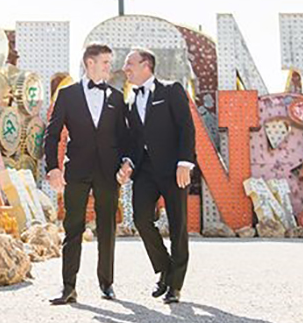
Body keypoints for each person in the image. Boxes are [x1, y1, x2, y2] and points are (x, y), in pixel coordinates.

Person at [44, 44, 132, 304]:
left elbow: (124, 136)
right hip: (77, 171)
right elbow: (52, 134)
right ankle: (68, 287)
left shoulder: (116, 97)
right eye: (105, 62)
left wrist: (126, 163)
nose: (109, 66)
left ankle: (107, 284)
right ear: (89, 63)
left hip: (108, 172)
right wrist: (53, 168)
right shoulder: (67, 95)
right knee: (73, 228)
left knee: (107, 229)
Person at [121, 48, 197, 304]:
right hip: (145, 171)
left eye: (129, 63)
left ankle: (175, 285)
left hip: (174, 169)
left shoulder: (171, 90)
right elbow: (134, 140)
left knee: (178, 224)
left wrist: (185, 162)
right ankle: (165, 267)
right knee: (141, 219)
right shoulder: (131, 100)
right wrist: (129, 162)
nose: (125, 68)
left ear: (146, 65)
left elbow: (186, 127)